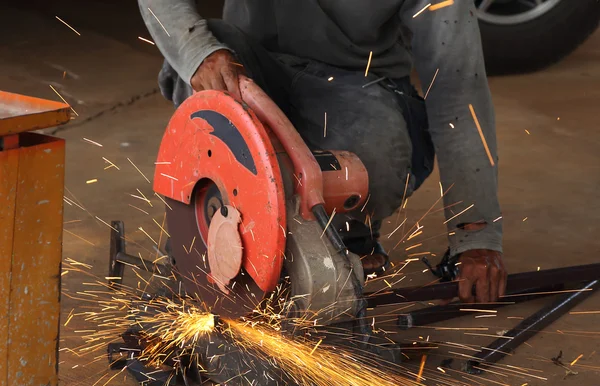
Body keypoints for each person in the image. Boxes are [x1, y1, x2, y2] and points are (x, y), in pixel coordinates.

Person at [138, 0, 507, 303]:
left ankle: (348, 229)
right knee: (199, 51)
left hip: (359, 84)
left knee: (376, 163)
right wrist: (198, 52)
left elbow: (459, 95)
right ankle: (211, 221)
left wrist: (475, 236)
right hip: (253, 66)